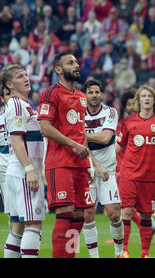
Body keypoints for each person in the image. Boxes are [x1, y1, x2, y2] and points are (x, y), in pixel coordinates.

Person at [37, 52, 109, 258]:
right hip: (60, 163)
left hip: (79, 165)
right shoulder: (51, 93)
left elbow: (80, 133)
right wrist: (73, 146)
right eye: (70, 63)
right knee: (66, 214)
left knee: (80, 217)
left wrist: (89, 164)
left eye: (76, 62)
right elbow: (45, 127)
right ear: (58, 70)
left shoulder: (82, 98)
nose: (76, 65)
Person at [115, 85, 155, 258]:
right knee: (125, 211)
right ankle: (123, 251)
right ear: (139, 100)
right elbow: (119, 146)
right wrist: (101, 163)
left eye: (150, 96)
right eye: (143, 96)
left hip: (149, 176)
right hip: (129, 174)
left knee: (146, 216)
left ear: (154, 101)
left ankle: (144, 254)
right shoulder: (129, 122)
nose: (146, 99)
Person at [1, 64, 45, 258]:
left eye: (26, 74)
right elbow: (17, 139)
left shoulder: (23, 105)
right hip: (22, 171)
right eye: (20, 76)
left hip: (18, 171)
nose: (26, 78)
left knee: (18, 225)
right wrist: (30, 170)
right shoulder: (17, 104)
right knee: (33, 223)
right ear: (10, 84)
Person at [82, 79, 124, 258]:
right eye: (90, 92)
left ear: (101, 94)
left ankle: (119, 252)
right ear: (85, 95)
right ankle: (94, 256)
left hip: (108, 171)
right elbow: (81, 144)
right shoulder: (78, 114)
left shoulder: (110, 112)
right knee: (88, 214)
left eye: (97, 92)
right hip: (87, 171)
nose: (94, 95)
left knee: (114, 214)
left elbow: (106, 138)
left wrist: (79, 135)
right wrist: (81, 141)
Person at [0, 86, 11, 214]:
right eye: (8, 94)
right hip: (4, 166)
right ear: (2, 99)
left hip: (25, 165)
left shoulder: (30, 116)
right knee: (11, 210)